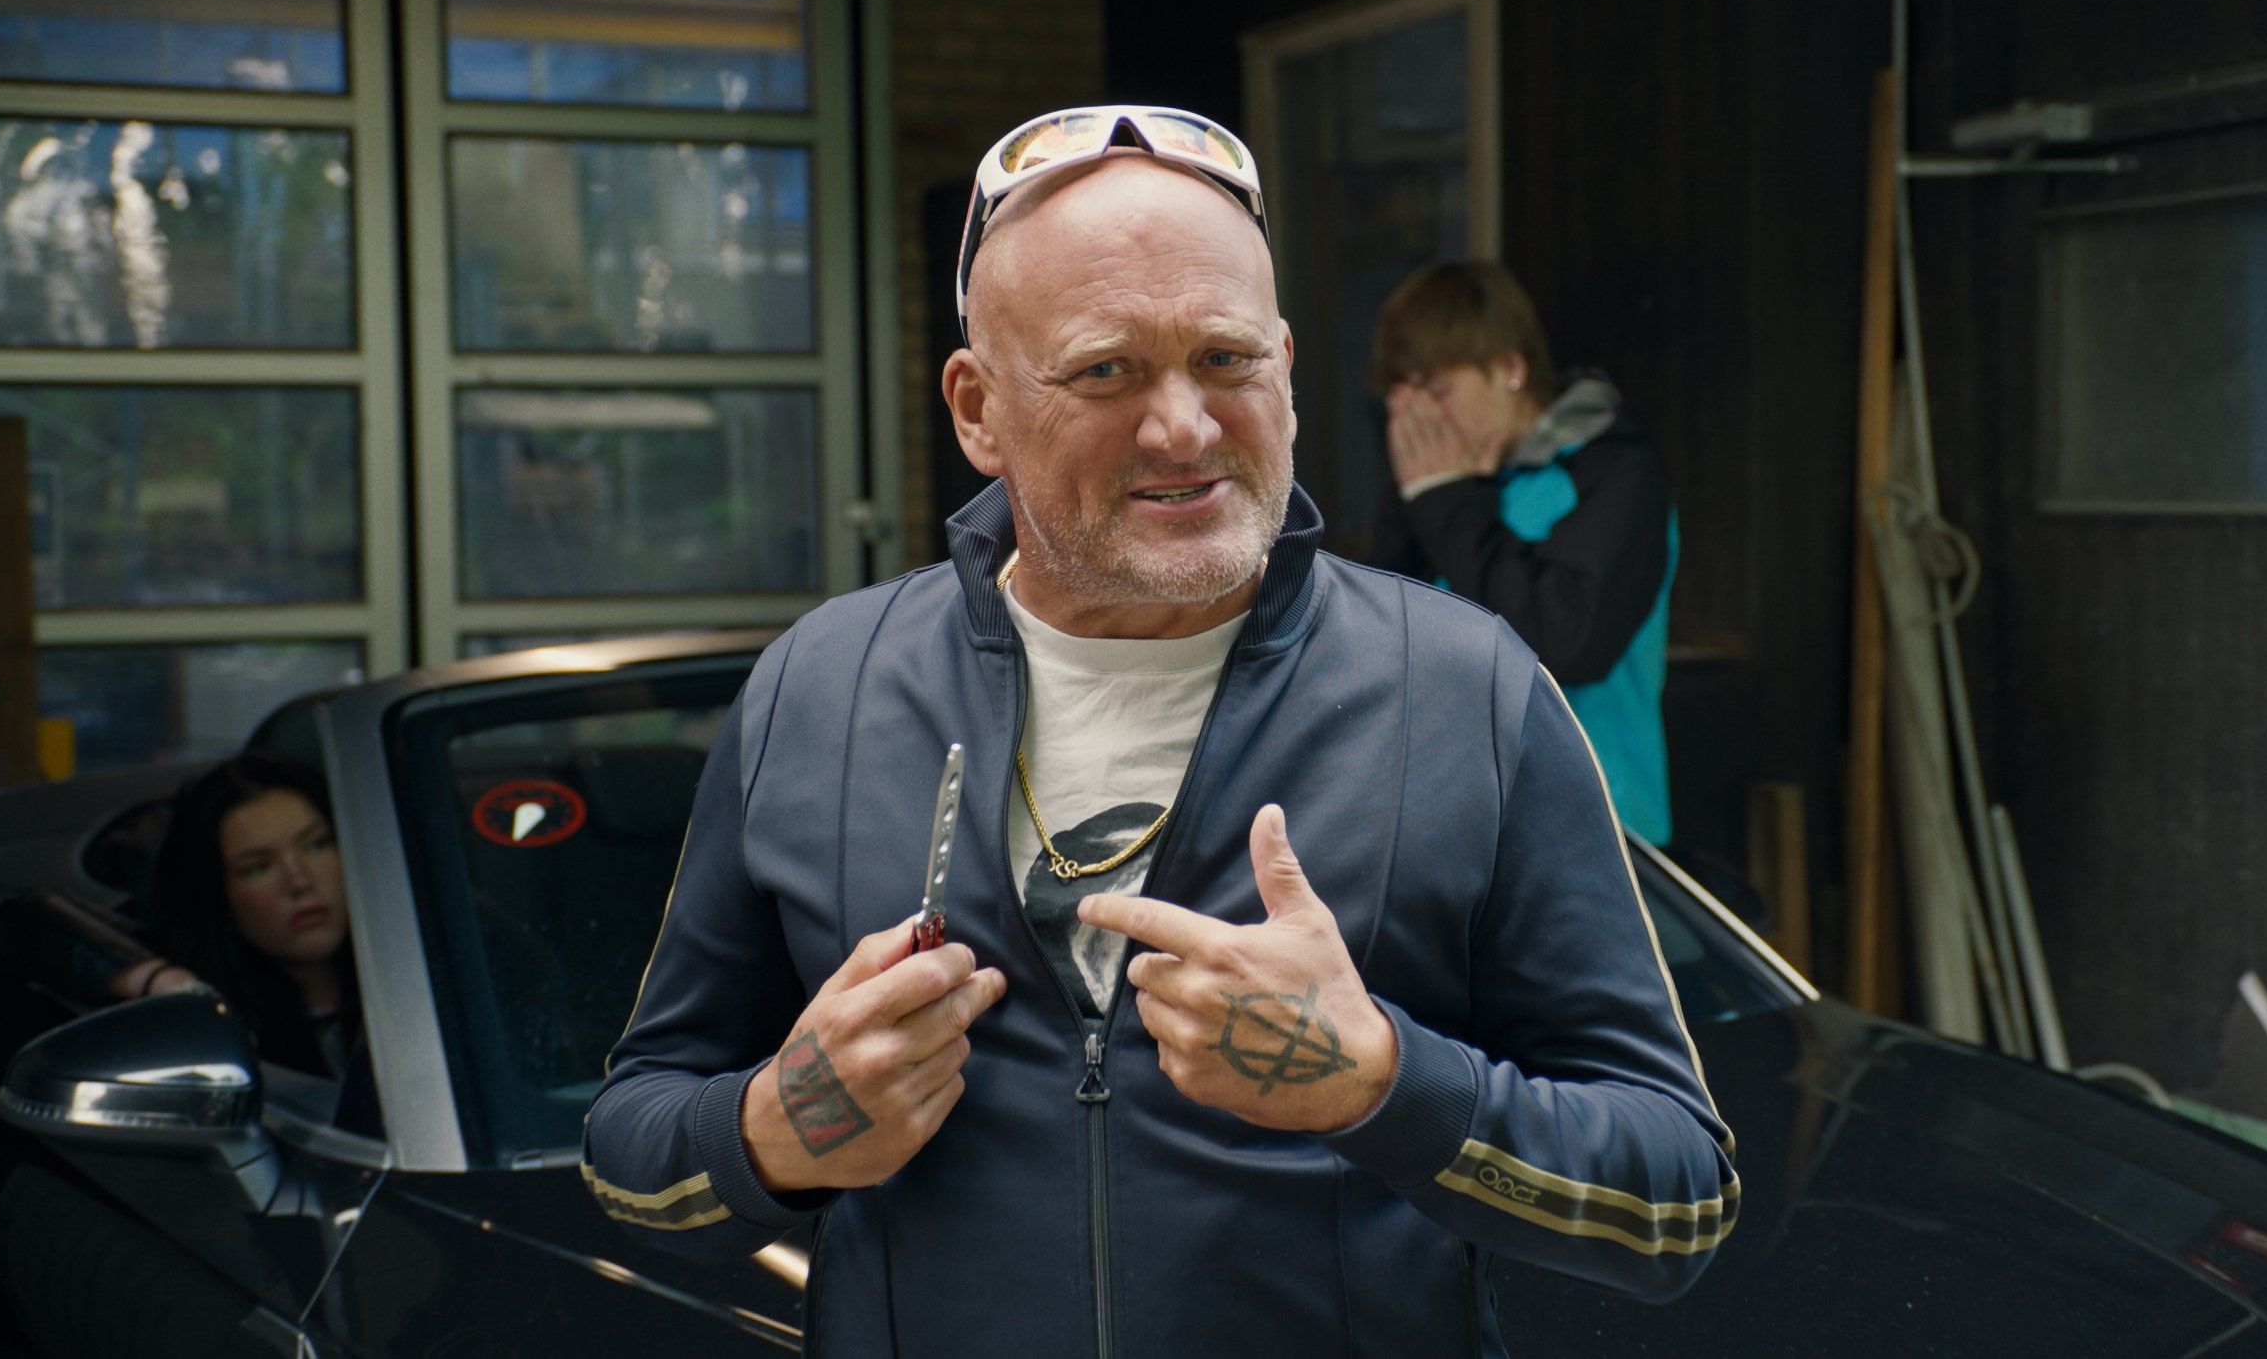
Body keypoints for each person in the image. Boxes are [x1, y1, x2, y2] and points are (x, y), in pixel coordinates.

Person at [583, 105, 1735, 1358]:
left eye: (1228, 359)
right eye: (1106, 370)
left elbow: (1675, 1201)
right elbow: (630, 1156)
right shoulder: (821, 691)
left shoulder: (1468, 691)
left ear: (1286, 365)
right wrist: (777, 1126)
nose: (1183, 425)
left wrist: (1383, 1085)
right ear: (976, 410)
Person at [1366, 261, 1678, 844]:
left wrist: (1448, 501)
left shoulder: (1617, 473)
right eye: (1398, 396)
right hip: (1453, 832)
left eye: (1436, 390)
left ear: (1509, 369)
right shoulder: (1436, 485)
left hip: (1598, 833)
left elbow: (1563, 638)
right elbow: (1380, 633)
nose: (1416, 417)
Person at [130, 751, 362, 1084]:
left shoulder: (420, 983)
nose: (299, 881)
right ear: (217, 894)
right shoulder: (225, 1036)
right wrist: (156, 978)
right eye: (258, 867)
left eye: (317, 845)